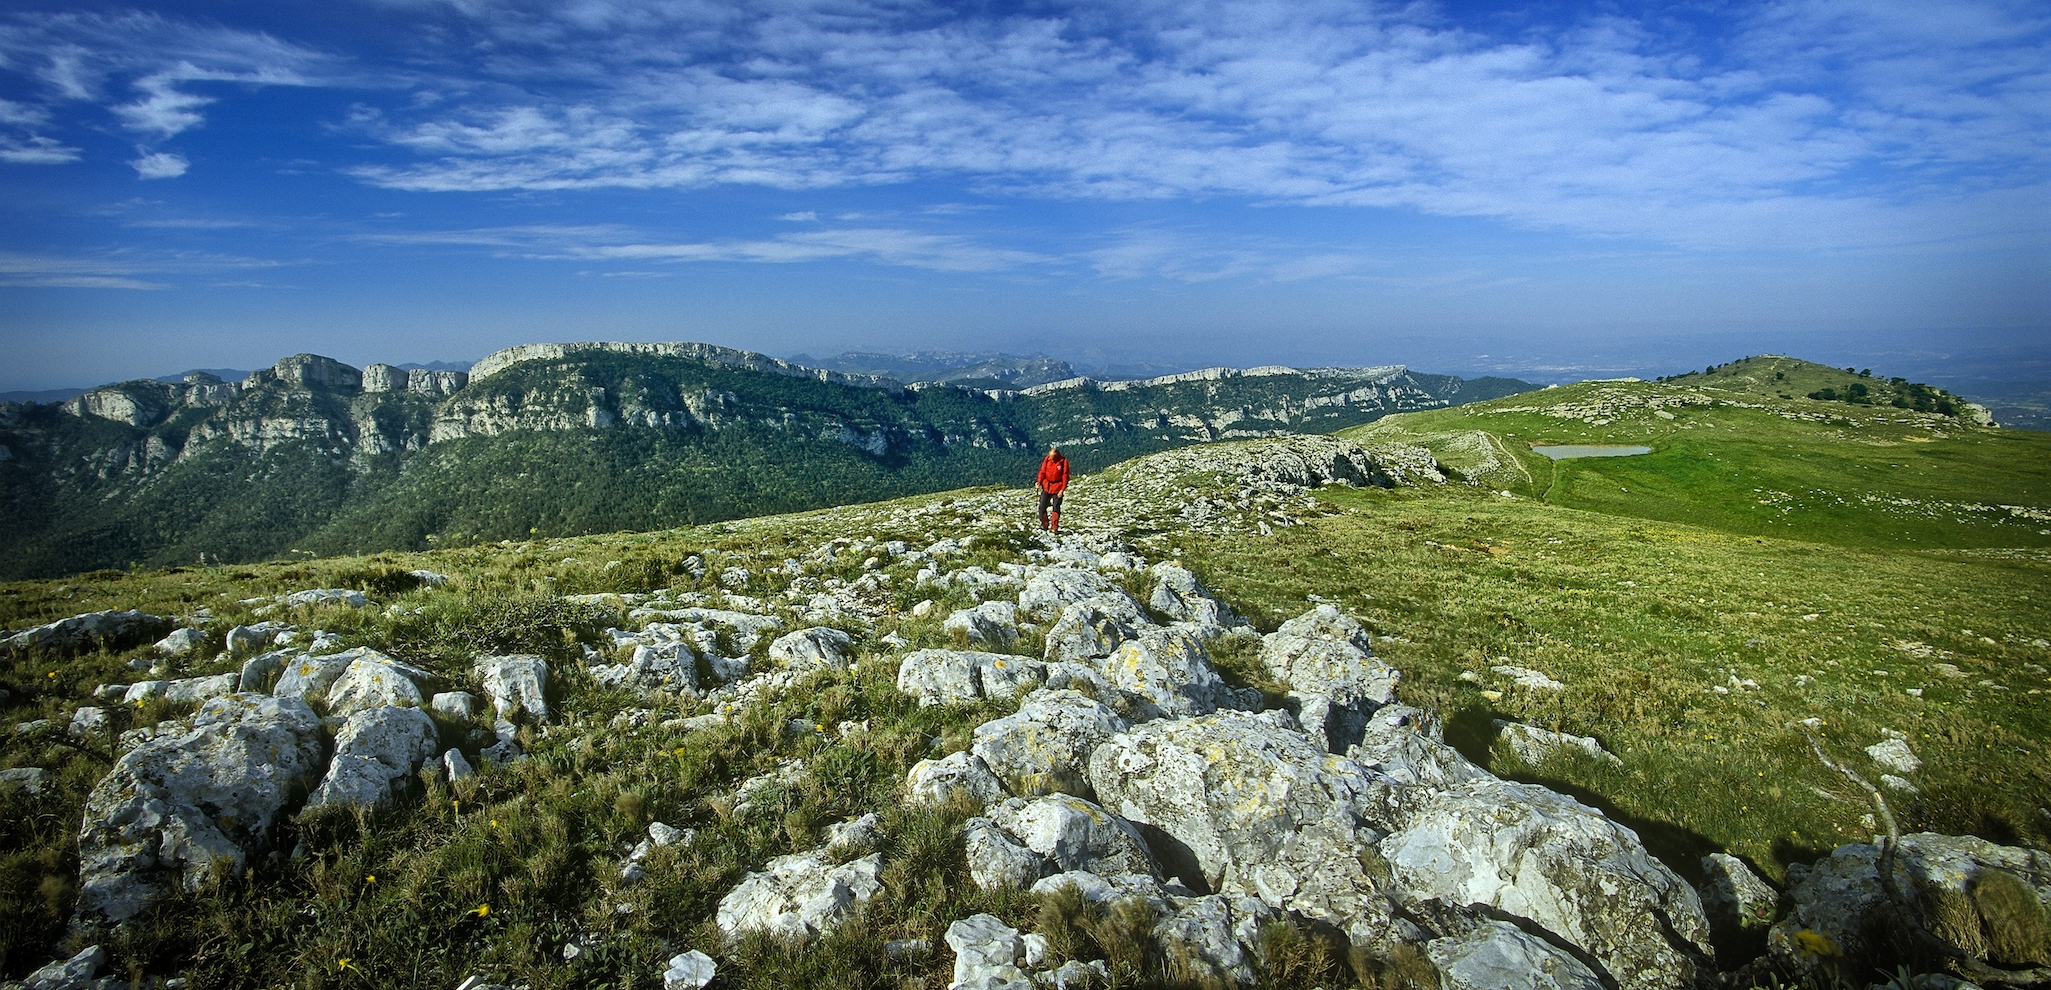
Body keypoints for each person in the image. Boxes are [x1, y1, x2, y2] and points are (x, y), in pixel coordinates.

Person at [1036, 444, 1069, 531]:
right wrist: (1039, 481)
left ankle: (1055, 527)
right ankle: (1045, 524)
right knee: (1042, 506)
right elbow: (1042, 471)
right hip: (1047, 486)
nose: (1051, 459)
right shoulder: (1047, 460)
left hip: (1057, 487)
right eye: (1050, 457)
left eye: (1052, 458)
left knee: (1056, 507)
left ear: (1057, 456)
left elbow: (1065, 476)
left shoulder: (1063, 461)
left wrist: (1062, 490)